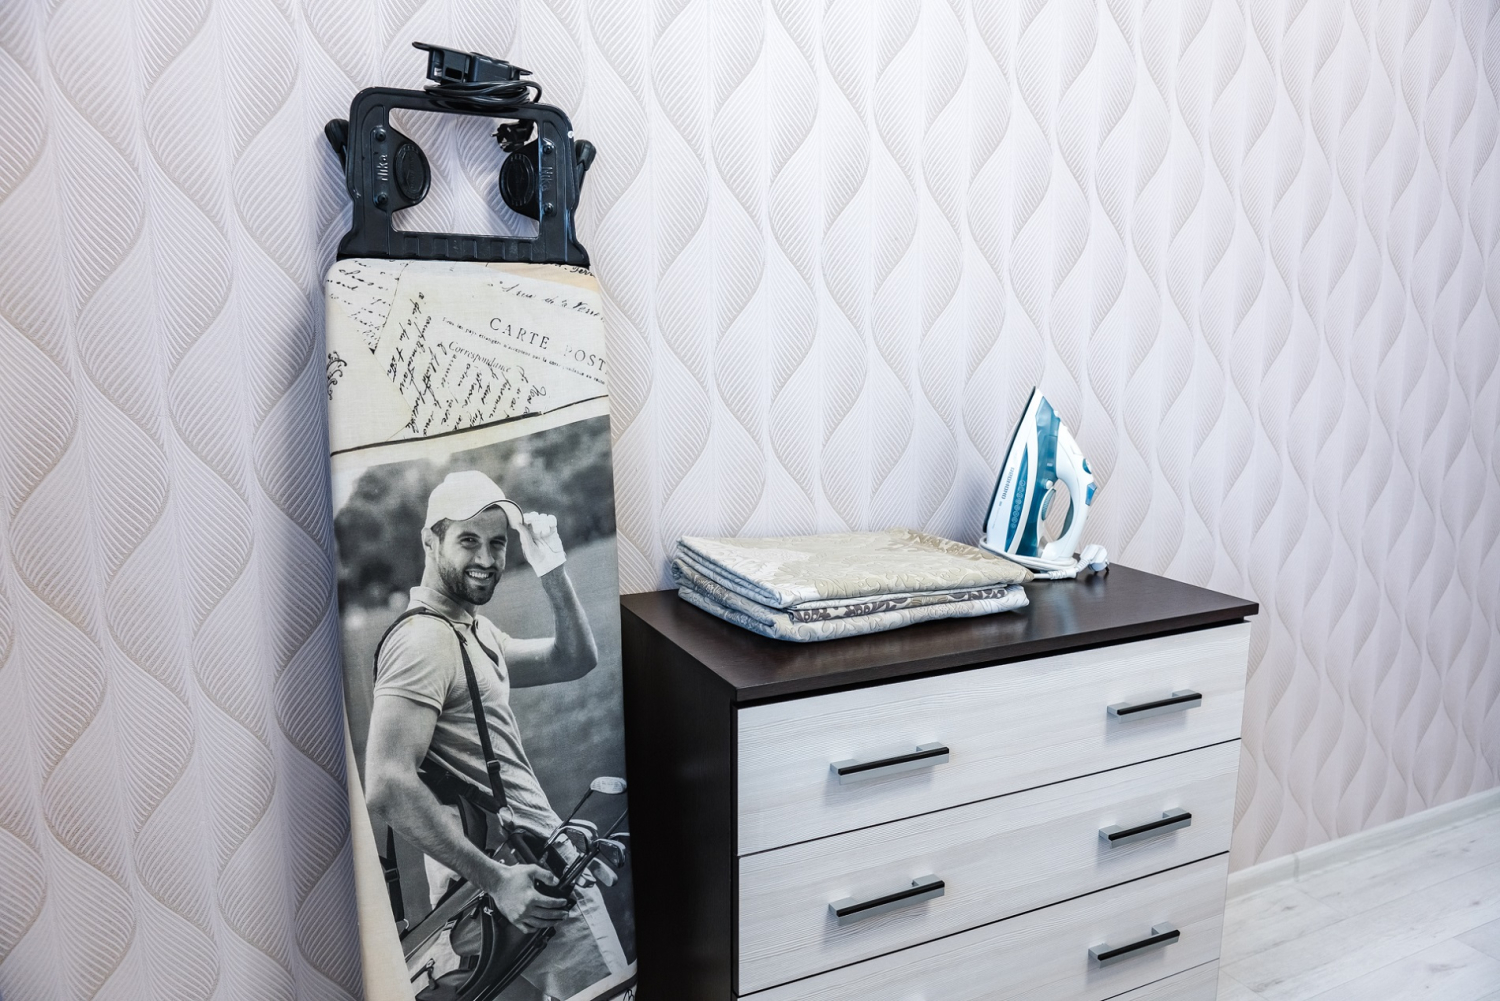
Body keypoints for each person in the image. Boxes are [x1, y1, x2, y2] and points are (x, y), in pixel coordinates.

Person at [364, 470, 629, 1000]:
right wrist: (497, 880)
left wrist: (552, 571)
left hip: (488, 886)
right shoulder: (425, 642)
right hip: (522, 878)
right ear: (430, 541)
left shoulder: (469, 630)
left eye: (498, 543)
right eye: (468, 540)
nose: (486, 558)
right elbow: (387, 784)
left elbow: (572, 659)